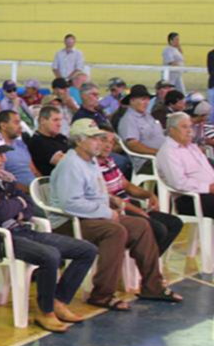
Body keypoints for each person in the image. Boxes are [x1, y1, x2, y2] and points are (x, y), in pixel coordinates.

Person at [0, 130, 96, 332]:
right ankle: (45, 311)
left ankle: (58, 300)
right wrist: (16, 204)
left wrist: (14, 206)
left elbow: (29, 205)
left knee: (86, 250)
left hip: (21, 231)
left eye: (3, 153)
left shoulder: (4, 178)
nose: (3, 159)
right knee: (50, 255)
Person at [50, 119, 181, 310]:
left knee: (141, 225)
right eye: (93, 138)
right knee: (115, 231)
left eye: (98, 138)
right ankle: (102, 295)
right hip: (69, 221)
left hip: (93, 216)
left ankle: (152, 286)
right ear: (79, 141)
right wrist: (107, 212)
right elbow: (70, 204)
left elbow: (96, 192)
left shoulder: (90, 161)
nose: (99, 143)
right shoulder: (70, 164)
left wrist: (111, 201)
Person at [98, 127, 182, 256]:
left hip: (129, 205)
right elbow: (110, 200)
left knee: (175, 223)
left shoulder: (109, 161)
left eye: (111, 142)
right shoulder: (92, 167)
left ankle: (147, 262)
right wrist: (140, 211)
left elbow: (126, 185)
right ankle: (145, 263)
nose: (108, 145)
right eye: (104, 140)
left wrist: (149, 195)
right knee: (159, 229)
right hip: (116, 211)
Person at [157, 111, 214, 219]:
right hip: (191, 197)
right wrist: (208, 188)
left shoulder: (192, 147)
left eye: (190, 127)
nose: (189, 131)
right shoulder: (168, 152)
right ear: (172, 130)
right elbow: (179, 183)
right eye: (184, 127)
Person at [118, 84, 165, 174]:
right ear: (132, 101)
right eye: (143, 99)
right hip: (148, 161)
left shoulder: (148, 116)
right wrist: (157, 152)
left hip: (161, 157)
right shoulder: (129, 119)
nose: (146, 102)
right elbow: (133, 145)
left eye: (148, 99)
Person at [0, 109, 38, 189]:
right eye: (16, 123)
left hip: (35, 189)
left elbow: (34, 171)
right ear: (3, 126)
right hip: (19, 194)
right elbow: (2, 181)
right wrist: (30, 190)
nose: (20, 126)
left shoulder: (21, 144)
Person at [29, 105, 70, 176]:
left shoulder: (60, 137)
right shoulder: (37, 142)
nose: (59, 124)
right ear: (42, 121)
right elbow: (66, 163)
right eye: (55, 120)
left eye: (60, 120)